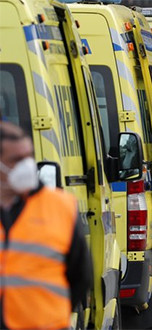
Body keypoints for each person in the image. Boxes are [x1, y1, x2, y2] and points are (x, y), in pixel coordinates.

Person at [0, 121, 92, 329]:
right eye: (16, 160)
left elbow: (81, 275)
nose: (26, 167)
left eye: (28, 158)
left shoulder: (60, 206)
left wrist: (52, 313)